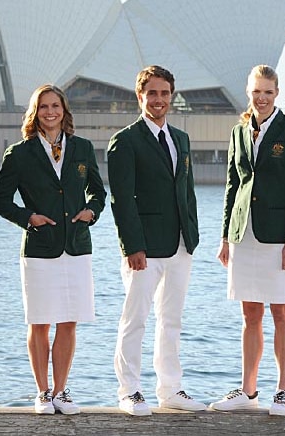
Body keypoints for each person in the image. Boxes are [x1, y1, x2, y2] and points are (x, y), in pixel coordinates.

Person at [0, 85, 106, 415]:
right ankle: (42, 392)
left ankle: (61, 391)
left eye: (55, 105)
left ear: (64, 110)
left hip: (77, 246)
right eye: (43, 107)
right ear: (35, 112)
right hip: (40, 248)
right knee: (40, 322)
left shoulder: (83, 148)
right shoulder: (20, 153)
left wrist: (91, 212)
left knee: (69, 322)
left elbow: (98, 193)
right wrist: (29, 218)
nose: (50, 111)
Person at [209, 65, 285, 416]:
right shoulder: (239, 131)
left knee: (281, 311)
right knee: (250, 312)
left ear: (277, 93)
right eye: (256, 92)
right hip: (243, 234)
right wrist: (225, 236)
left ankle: (283, 390)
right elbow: (232, 186)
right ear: (248, 92)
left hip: (277, 235)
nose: (262, 98)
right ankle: (248, 389)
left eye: (268, 92)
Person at [107, 65, 205, 416]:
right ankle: (129, 390)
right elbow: (121, 199)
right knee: (134, 321)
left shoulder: (181, 138)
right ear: (140, 96)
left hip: (180, 245)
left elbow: (186, 191)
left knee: (172, 321)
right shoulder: (125, 141)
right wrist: (132, 246)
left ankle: (170, 389)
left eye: (165, 93)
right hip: (144, 249)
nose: (159, 99)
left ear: (172, 97)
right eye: (152, 93)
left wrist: (191, 236)